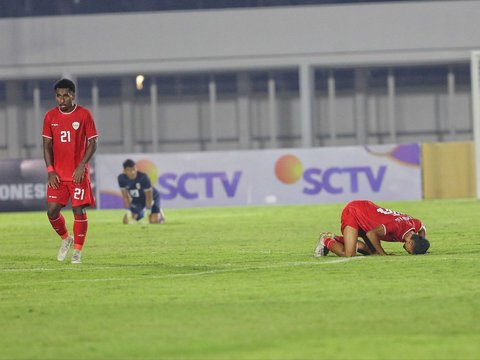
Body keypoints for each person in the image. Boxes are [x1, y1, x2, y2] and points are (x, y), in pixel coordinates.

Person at [43, 78, 98, 264]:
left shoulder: (84, 115)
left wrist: (82, 165)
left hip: (77, 174)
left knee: (78, 209)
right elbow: (47, 145)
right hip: (58, 174)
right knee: (51, 211)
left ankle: (77, 252)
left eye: (65, 95)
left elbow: (93, 143)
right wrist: (50, 170)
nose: (62, 99)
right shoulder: (50, 116)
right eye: (58, 96)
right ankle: (66, 239)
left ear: (73, 95)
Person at [314, 200, 430, 257]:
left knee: (374, 253)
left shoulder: (414, 225)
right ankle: (326, 240)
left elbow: (422, 227)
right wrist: (385, 255)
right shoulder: (397, 227)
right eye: (410, 251)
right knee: (349, 254)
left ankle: (337, 238)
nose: (408, 252)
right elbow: (371, 234)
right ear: (411, 242)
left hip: (368, 213)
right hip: (354, 211)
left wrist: (422, 242)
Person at [117, 159, 165, 224]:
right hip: (137, 200)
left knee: (154, 221)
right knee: (126, 221)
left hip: (152, 198)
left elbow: (149, 196)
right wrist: (128, 212)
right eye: (129, 170)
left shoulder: (143, 178)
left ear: (136, 168)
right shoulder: (121, 179)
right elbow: (125, 197)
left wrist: (148, 212)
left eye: (134, 169)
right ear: (125, 171)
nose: (133, 172)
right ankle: (140, 213)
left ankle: (160, 213)